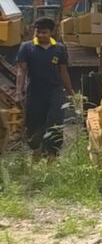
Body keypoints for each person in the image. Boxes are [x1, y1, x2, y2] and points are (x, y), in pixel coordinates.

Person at [15, 17, 74, 156]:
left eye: (44, 32)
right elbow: (21, 70)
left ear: (51, 32)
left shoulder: (59, 49)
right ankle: (36, 150)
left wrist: (71, 92)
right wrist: (18, 92)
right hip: (34, 92)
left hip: (54, 92)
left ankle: (52, 154)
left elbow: (63, 72)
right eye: (38, 32)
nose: (40, 35)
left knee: (55, 121)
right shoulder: (26, 47)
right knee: (33, 122)